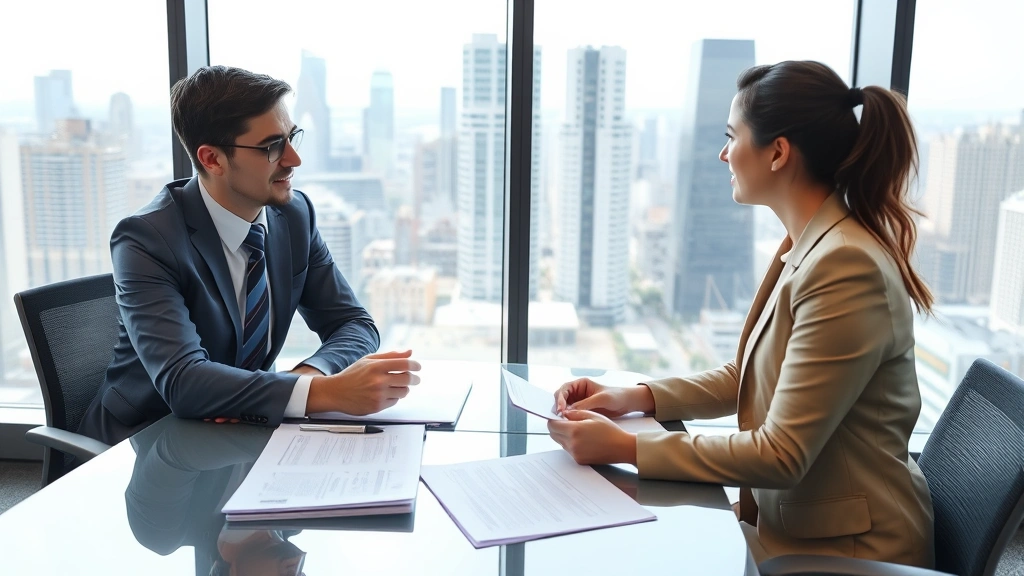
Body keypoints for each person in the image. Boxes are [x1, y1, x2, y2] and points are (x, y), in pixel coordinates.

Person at [548, 61, 935, 568]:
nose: (723, 153)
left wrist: (624, 447)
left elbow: (781, 453)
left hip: (851, 551)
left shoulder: (844, 264)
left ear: (778, 152)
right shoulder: (807, 243)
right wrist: (632, 398)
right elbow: (746, 375)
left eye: (733, 137)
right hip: (791, 523)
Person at [79, 66, 419, 446]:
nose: (293, 159)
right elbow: (184, 382)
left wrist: (308, 378)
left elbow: (354, 323)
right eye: (273, 146)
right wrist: (328, 393)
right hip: (147, 443)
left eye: (292, 138)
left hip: (244, 433)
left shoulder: (293, 216)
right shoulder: (147, 239)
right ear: (212, 159)